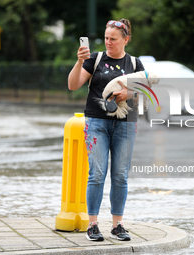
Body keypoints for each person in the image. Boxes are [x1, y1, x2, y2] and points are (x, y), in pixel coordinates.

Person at [68, 19, 144, 241]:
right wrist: (79, 62)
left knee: (120, 176)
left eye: (113, 39)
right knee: (97, 174)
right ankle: (92, 225)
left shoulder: (135, 64)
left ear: (126, 40)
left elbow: (148, 93)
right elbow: (73, 85)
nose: (108, 42)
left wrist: (128, 94)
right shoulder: (95, 59)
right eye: (106, 38)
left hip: (126, 124)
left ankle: (117, 225)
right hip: (96, 123)